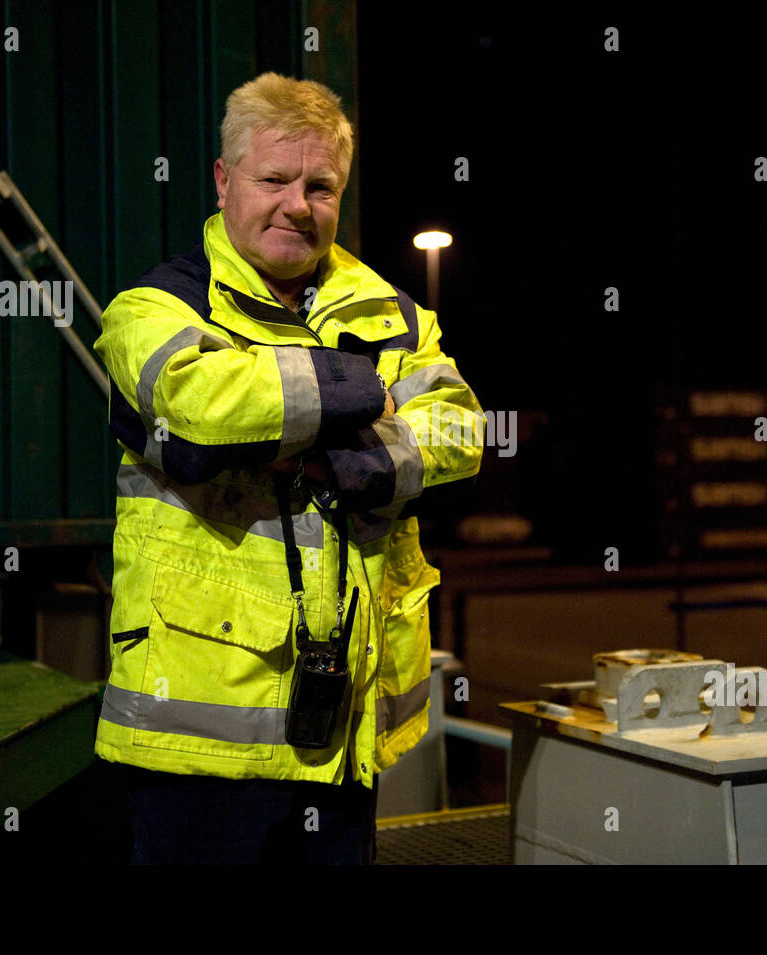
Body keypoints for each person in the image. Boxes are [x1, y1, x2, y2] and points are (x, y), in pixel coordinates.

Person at [91, 72, 484, 864]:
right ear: (224, 179)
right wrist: (368, 390)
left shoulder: (396, 313)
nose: (298, 205)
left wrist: (313, 440)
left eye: (320, 186)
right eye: (274, 179)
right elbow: (199, 414)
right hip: (197, 745)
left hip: (337, 735)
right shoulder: (154, 308)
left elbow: (460, 432)